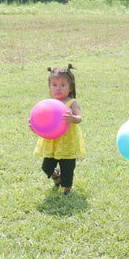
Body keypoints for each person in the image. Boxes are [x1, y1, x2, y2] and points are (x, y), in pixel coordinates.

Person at [34, 65, 85, 195]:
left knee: (67, 168)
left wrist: (73, 118)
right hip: (52, 142)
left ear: (70, 87)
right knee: (46, 167)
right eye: (54, 85)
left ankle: (67, 189)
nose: (58, 88)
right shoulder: (48, 105)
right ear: (50, 87)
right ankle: (56, 175)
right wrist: (34, 126)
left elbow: (79, 118)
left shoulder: (72, 102)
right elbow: (44, 123)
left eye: (63, 85)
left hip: (67, 141)